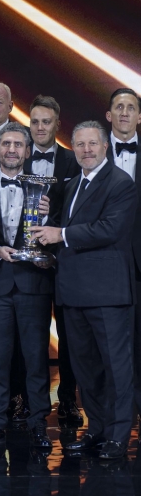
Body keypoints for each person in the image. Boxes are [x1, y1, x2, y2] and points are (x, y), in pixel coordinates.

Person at [31, 120, 137, 460]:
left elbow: (109, 228)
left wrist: (59, 233)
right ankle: (96, 430)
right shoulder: (74, 183)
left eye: (93, 144)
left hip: (107, 294)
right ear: (73, 149)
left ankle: (119, 437)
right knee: (86, 368)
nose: (87, 150)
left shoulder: (121, 182)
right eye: (80, 145)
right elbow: (66, 225)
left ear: (105, 147)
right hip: (73, 292)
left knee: (117, 369)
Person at [0, 122, 53, 451]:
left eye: (18, 145)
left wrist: (50, 219)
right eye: (6, 143)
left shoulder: (47, 192)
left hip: (34, 283)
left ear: (28, 152)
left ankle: (38, 425)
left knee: (36, 359)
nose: (11, 150)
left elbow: (59, 237)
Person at [23, 95, 82, 426]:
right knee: (29, 335)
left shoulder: (75, 162)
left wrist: (54, 220)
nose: (40, 127)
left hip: (63, 263)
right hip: (26, 264)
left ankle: (69, 398)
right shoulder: (18, 161)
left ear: (58, 124)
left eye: (46, 121)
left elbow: (81, 213)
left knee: (69, 336)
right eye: (35, 121)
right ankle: (27, 401)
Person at [102, 88, 141, 432]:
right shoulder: (91, 155)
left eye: (131, 108)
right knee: (112, 345)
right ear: (109, 115)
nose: (125, 112)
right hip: (106, 264)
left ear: (139, 116)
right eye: (119, 107)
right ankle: (113, 417)